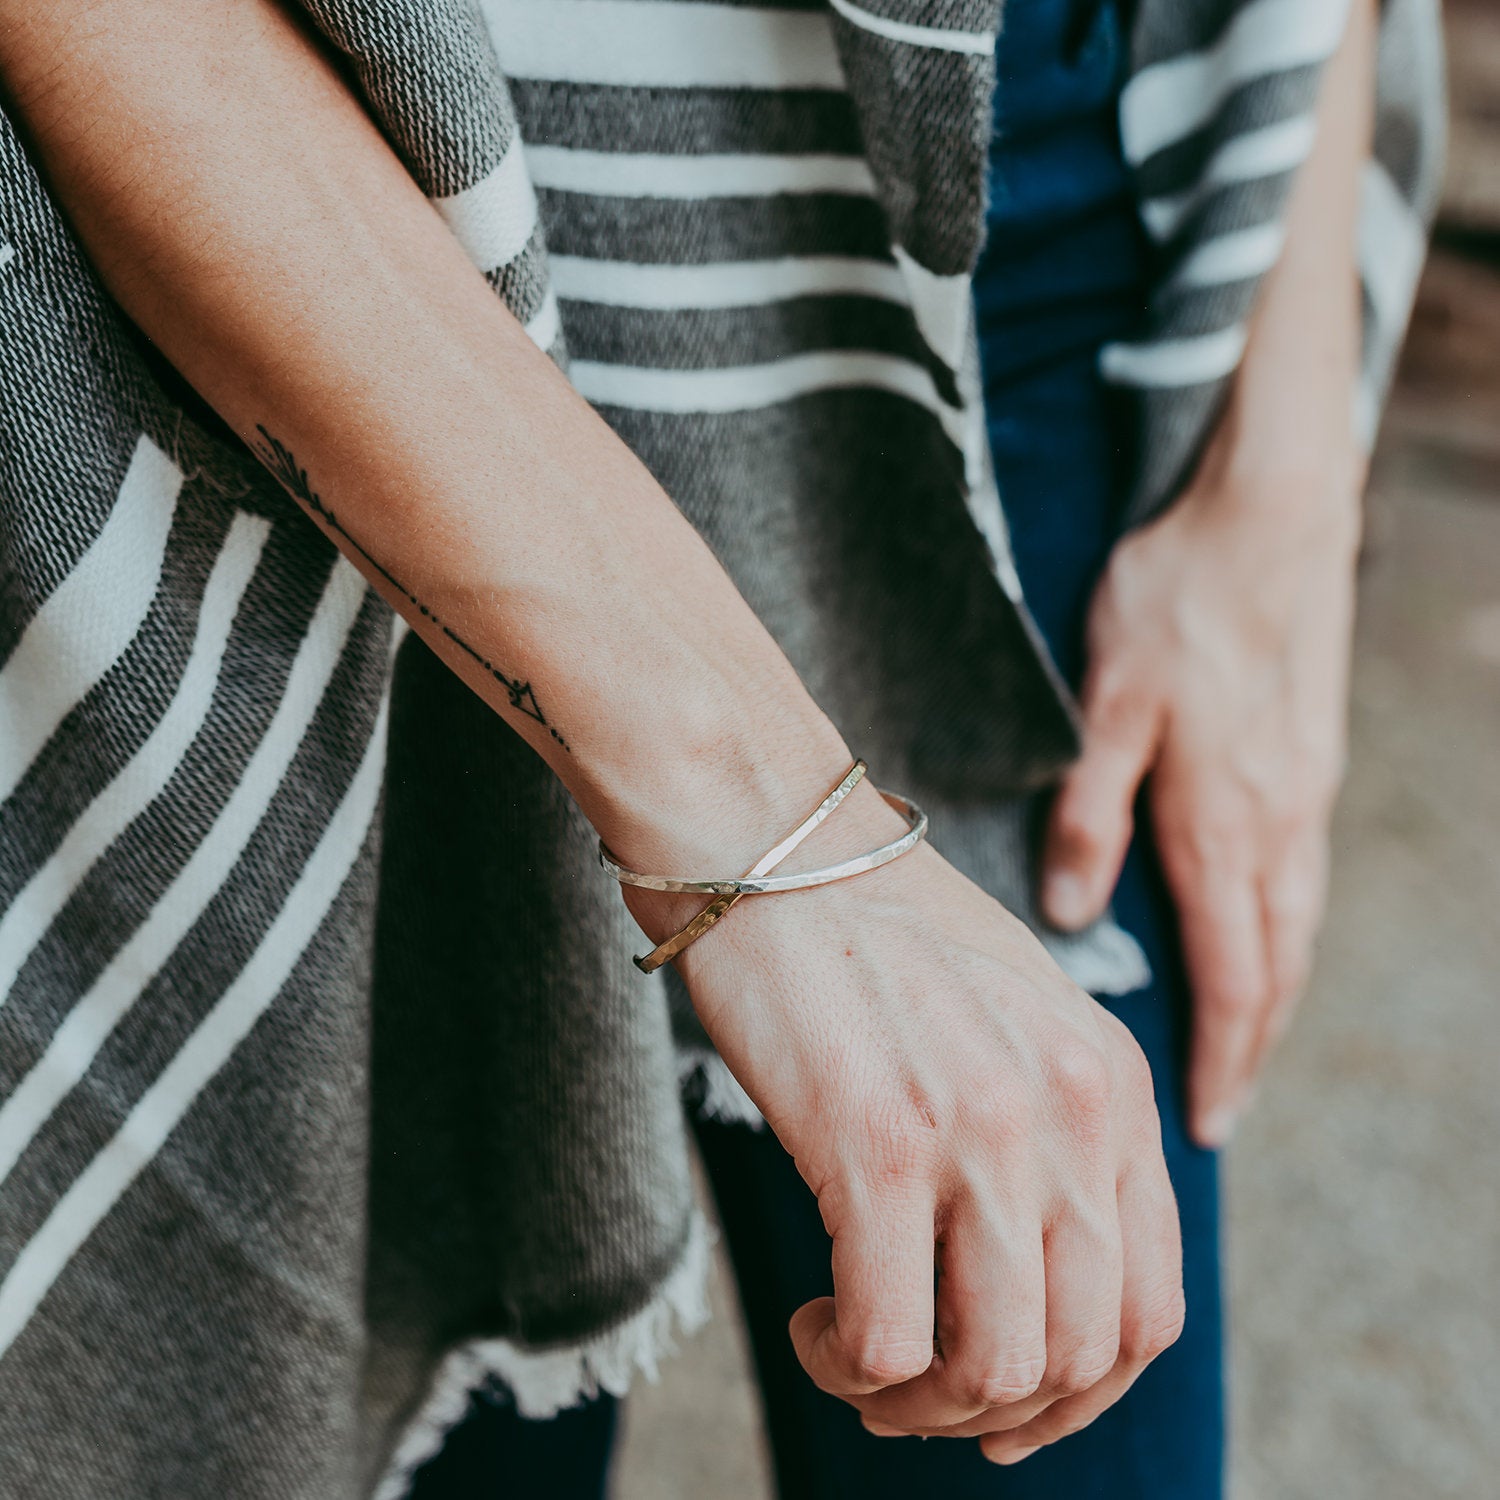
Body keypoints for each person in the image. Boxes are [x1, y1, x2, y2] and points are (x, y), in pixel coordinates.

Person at [0, 2, 1440, 1499]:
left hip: (1026, 281)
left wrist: (1284, 467)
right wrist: (777, 830)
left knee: (1057, 1382)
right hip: (344, 284)